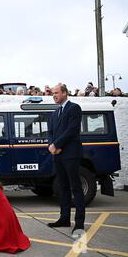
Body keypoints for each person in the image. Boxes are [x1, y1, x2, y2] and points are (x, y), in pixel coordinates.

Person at [47, 83, 85, 234]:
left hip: (71, 154)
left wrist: (56, 144)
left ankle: (80, 223)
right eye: (53, 93)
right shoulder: (55, 113)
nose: (54, 95)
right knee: (62, 187)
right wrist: (52, 145)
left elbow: (72, 130)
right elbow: (50, 132)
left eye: (56, 93)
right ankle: (64, 218)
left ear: (64, 93)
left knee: (76, 187)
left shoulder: (74, 108)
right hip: (58, 155)